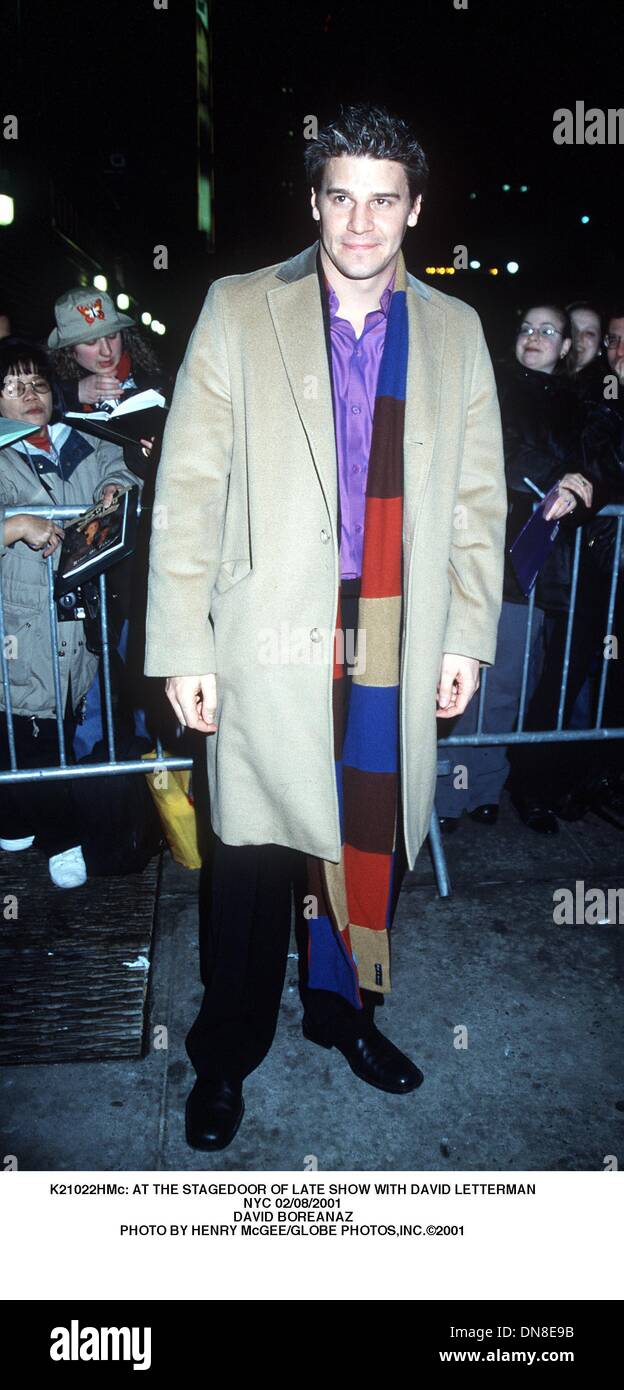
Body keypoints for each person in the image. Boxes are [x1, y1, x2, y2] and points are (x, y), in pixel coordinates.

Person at [144, 104, 507, 1151]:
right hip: (269, 626)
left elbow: (478, 502)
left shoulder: (453, 332)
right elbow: (190, 487)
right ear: (314, 201)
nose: (361, 221)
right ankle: (224, 1055)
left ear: (416, 209)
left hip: (394, 621)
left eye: (383, 199)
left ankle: (348, 1013)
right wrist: (183, 646)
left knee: (368, 846)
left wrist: (465, 637)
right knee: (254, 853)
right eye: (341, 195)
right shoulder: (238, 307)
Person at [0, 338, 139, 887]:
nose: (28, 394)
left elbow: (123, 469)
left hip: (79, 624)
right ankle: (57, 836)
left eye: (35, 382)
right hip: (19, 629)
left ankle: (47, 824)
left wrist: (114, 486)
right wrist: (14, 525)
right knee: (25, 727)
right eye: (11, 386)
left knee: (69, 724)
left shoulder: (82, 437)